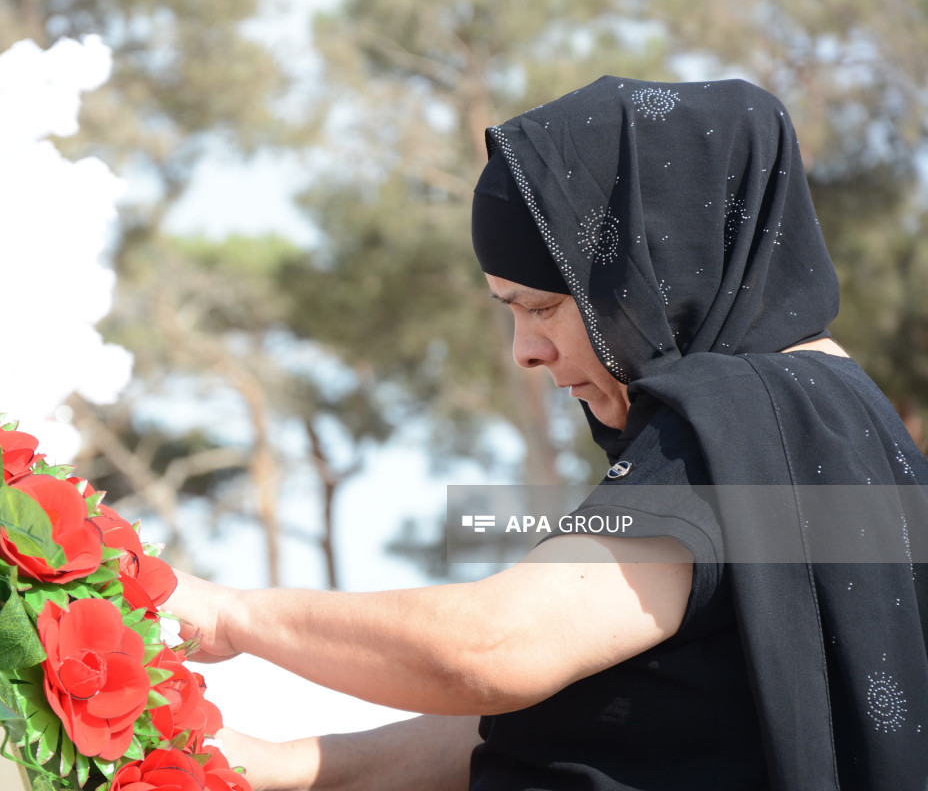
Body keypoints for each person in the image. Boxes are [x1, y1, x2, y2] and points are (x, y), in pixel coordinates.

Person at [165, 76, 928, 790]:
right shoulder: (846, 426)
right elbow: (532, 720)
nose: (525, 351)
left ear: (650, 274)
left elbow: (492, 650)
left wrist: (236, 616)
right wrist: (274, 764)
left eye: (543, 307)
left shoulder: (742, 415)